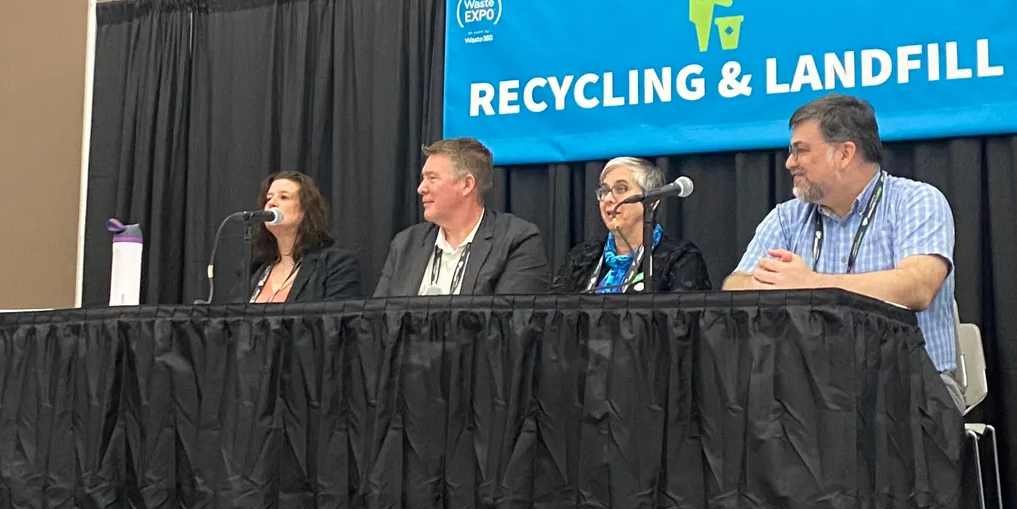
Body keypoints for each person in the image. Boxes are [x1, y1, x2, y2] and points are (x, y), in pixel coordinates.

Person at [723, 94, 963, 408]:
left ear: (844, 153)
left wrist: (809, 284)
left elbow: (918, 286)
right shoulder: (788, 217)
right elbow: (734, 288)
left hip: (911, 382)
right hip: (811, 390)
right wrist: (774, 286)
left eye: (801, 150)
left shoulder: (916, 202)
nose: (789, 162)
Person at [374, 138, 549, 297]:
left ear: (467, 184)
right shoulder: (405, 244)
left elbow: (513, 324)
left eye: (432, 178)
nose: (421, 188)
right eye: (423, 179)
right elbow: (376, 321)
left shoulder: (517, 240)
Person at [552, 157, 712, 294]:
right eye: (604, 190)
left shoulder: (680, 258)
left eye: (621, 189)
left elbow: (683, 325)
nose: (608, 198)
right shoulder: (581, 259)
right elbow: (552, 318)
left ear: (653, 201)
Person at [238, 170, 362, 303]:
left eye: (284, 197)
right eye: (268, 198)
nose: (271, 203)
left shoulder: (335, 265)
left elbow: (336, 320)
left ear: (305, 210)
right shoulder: (253, 268)